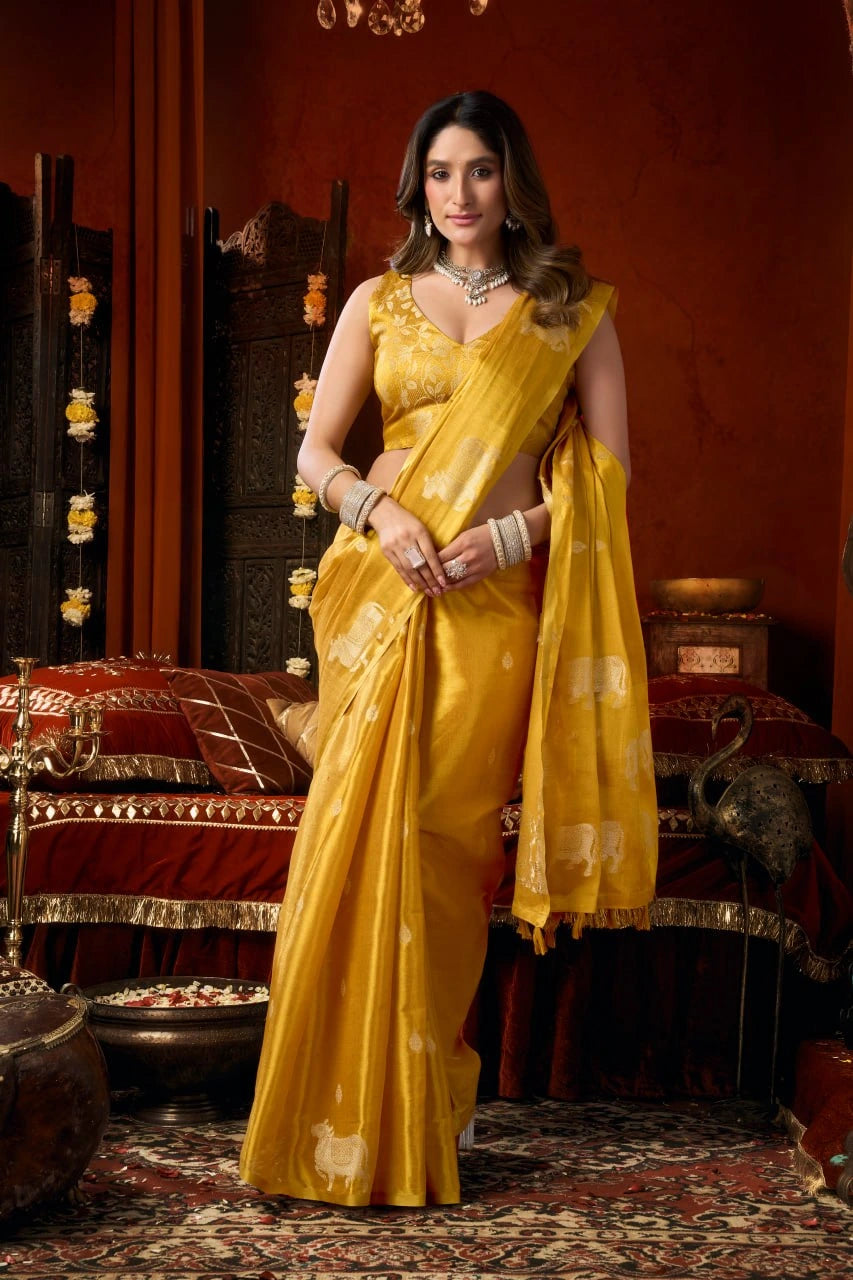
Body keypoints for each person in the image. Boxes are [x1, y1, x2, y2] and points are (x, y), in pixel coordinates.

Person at [239, 90, 658, 1207]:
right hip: (377, 596)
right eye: (438, 173)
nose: (458, 195)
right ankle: (330, 1126)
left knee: (435, 850)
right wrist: (381, 516)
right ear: (416, 185)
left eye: (478, 171)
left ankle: (418, 1112)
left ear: (511, 180)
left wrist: (508, 535)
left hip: (493, 613)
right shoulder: (378, 302)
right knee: (351, 846)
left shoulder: (573, 310)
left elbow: (604, 484)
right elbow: (317, 451)